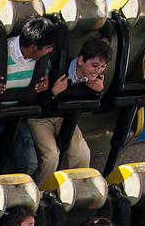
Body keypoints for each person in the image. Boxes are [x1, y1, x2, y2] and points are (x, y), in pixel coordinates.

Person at [0, 16, 58, 190]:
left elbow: (44, 76)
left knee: (29, 162)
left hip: (16, 116)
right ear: (33, 48)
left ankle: (14, 202)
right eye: (47, 48)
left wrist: (44, 84)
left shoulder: (42, 60)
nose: (49, 51)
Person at [28, 37, 108, 186]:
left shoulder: (96, 79)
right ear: (80, 61)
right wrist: (53, 93)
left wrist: (97, 92)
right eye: (95, 65)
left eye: (103, 67)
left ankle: (76, 190)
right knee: (51, 156)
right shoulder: (57, 68)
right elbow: (35, 99)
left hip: (65, 116)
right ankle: (40, 192)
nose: (98, 71)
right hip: (40, 117)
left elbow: (96, 108)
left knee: (82, 153)